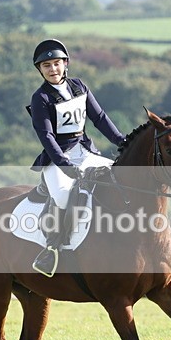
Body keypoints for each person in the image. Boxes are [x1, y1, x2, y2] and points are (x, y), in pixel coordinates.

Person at [28, 39, 126, 277]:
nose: (53, 69)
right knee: (62, 196)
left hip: (86, 151)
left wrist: (122, 141)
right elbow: (47, 136)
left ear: (65, 64)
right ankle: (52, 248)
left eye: (56, 63)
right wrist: (64, 165)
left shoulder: (79, 86)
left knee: (119, 182)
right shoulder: (40, 98)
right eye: (47, 66)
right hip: (57, 158)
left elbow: (99, 117)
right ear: (40, 70)